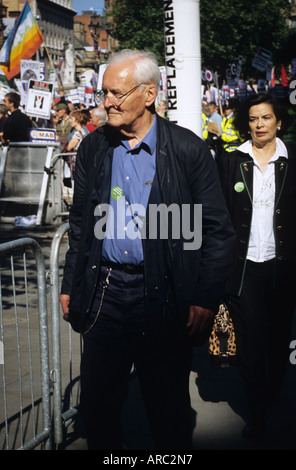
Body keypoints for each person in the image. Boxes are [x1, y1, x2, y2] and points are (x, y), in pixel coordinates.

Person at [59, 49, 235, 450]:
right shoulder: (94, 149)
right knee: (99, 407)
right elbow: (82, 226)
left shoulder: (187, 150)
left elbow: (217, 232)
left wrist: (204, 298)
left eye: (117, 94)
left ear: (149, 93)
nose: (107, 103)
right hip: (105, 294)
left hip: (164, 297)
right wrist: (71, 283)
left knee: (167, 410)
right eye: (104, 93)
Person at [218, 93, 296, 440]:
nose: (260, 125)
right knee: (251, 342)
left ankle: (273, 391)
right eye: (253, 119)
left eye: (266, 118)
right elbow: (217, 215)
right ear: (245, 123)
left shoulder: (291, 160)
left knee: (279, 340)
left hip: (284, 267)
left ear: (279, 121)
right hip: (245, 266)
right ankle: (257, 412)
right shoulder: (232, 161)